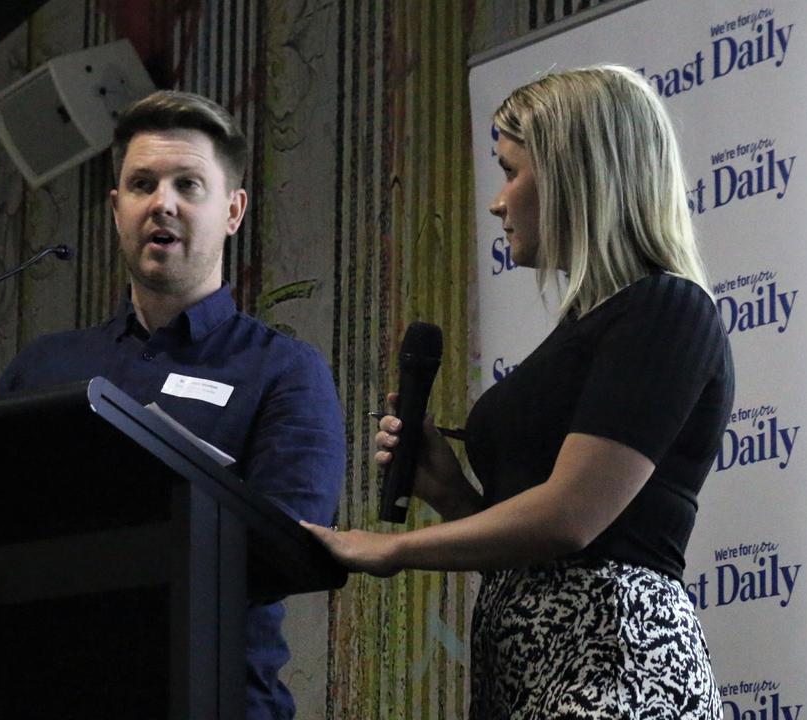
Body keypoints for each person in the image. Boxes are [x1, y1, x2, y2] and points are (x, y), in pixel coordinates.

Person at [302, 65, 734, 719]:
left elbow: (569, 520)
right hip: (535, 679)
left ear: (573, 174)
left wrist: (389, 547)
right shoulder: (587, 330)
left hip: (621, 673)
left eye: (510, 171)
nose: (497, 201)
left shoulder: (668, 309)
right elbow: (544, 555)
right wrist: (452, 496)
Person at [0, 90, 346, 720]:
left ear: (234, 211)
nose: (163, 202)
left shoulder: (285, 373)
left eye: (189, 183)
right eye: (142, 184)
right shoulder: (42, 369)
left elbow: (289, 549)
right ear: (116, 208)